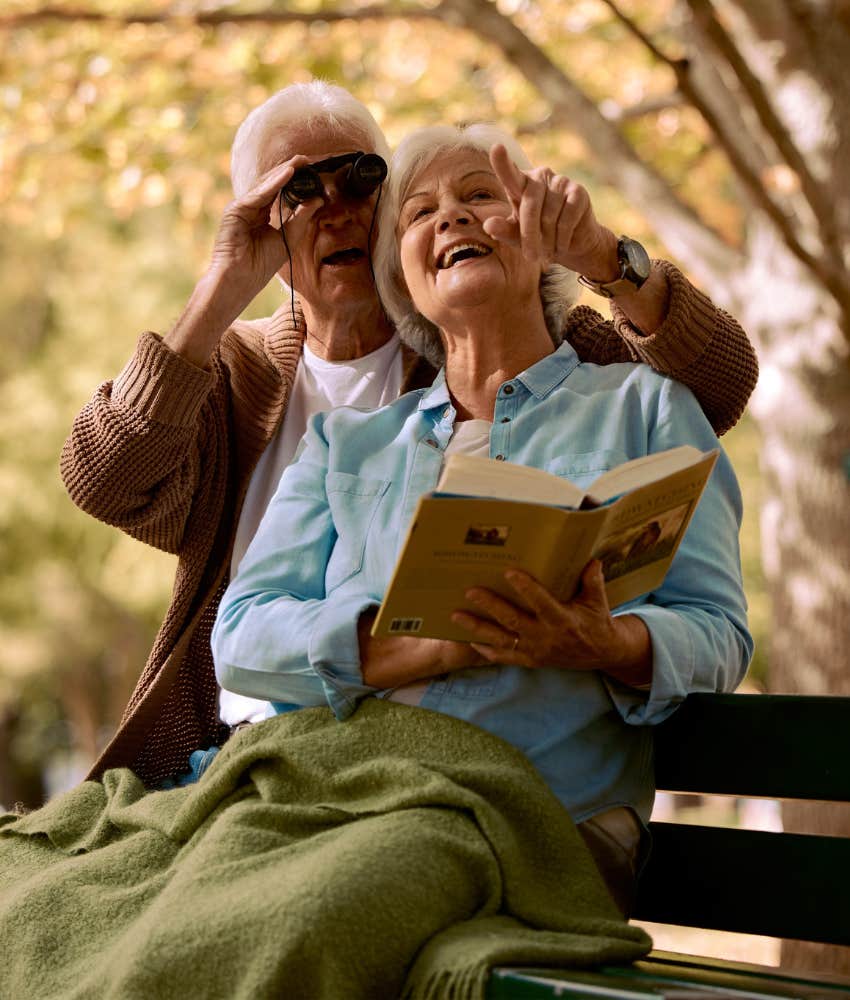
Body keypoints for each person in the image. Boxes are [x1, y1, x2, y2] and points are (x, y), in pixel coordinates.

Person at [60, 80, 758, 790]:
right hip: (242, 746)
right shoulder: (248, 383)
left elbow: (715, 387)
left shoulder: (520, 336)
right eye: (300, 189)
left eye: (363, 178)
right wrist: (222, 285)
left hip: (447, 775)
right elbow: (106, 481)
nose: (337, 208)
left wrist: (605, 259)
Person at [211, 123, 753, 915]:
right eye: (420, 213)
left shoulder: (645, 409)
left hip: (543, 822)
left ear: (540, 243)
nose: (452, 219)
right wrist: (406, 646)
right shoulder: (347, 445)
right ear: (402, 275)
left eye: (479, 197)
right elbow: (243, 633)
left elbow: (719, 632)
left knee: (315, 904)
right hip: (348, 798)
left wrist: (609, 645)